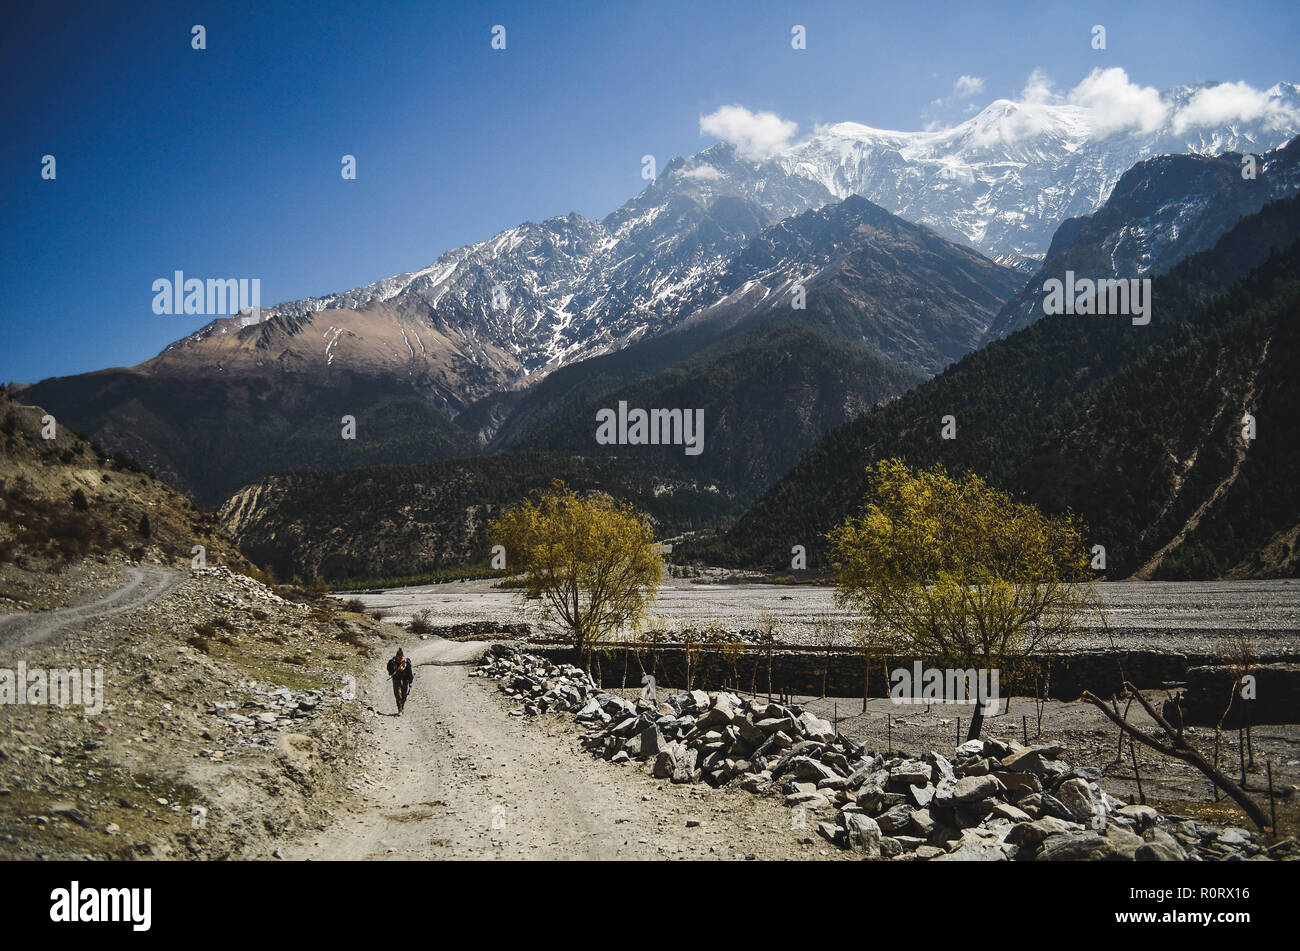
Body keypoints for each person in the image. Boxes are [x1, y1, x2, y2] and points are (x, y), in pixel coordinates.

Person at [387, 648, 414, 715]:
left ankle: (402, 706)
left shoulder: (406, 662)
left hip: (405, 679)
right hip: (396, 678)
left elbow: (410, 673)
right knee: (397, 694)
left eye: (400, 657)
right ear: (396, 656)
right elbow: (389, 669)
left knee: (404, 694)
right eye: (398, 657)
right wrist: (392, 672)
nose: (399, 658)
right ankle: (399, 709)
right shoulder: (393, 662)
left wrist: (410, 682)